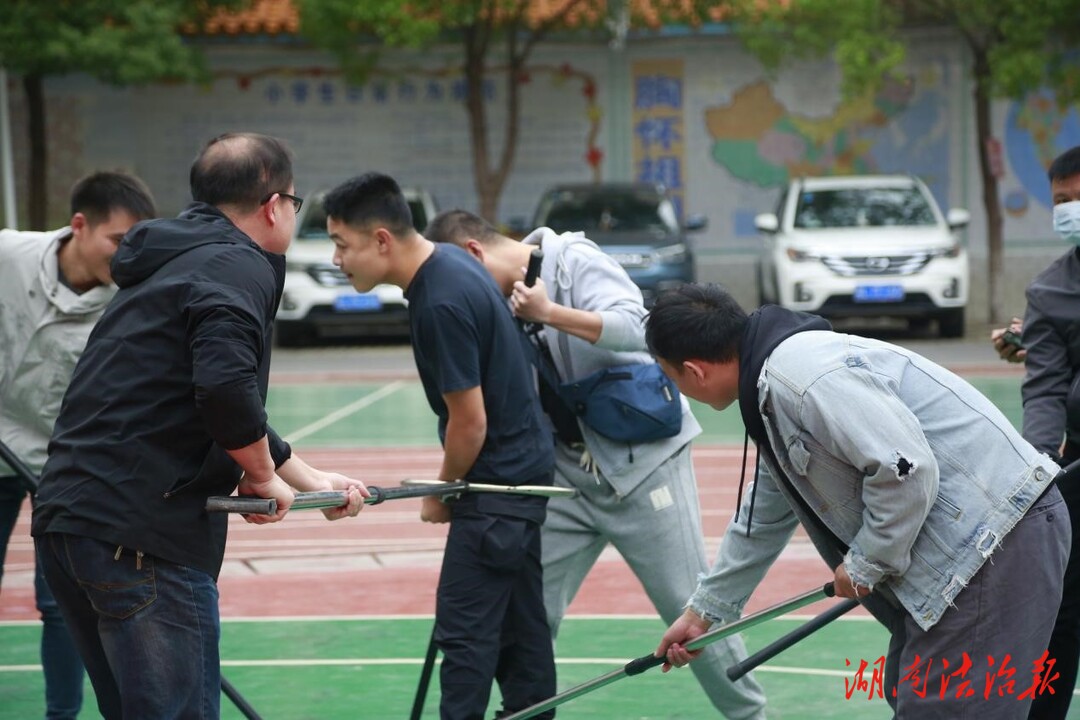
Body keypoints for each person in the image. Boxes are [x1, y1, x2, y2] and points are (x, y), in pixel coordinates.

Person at [31, 133, 368, 720]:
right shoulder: (239, 263)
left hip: (71, 523)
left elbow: (204, 395)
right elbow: (223, 388)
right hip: (142, 537)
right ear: (274, 205)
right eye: (295, 203)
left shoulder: (175, 258)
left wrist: (305, 475)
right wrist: (261, 474)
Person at [649, 283, 1067, 719]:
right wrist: (705, 613)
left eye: (670, 377)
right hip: (978, 549)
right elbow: (763, 515)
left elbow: (905, 468)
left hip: (997, 543)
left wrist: (867, 561)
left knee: (943, 708)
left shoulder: (803, 378)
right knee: (916, 694)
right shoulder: (769, 391)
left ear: (694, 371)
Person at [425, 209, 767, 719]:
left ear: (474, 253)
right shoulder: (491, 304)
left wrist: (550, 312)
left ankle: (752, 716)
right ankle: (522, 711)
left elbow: (639, 327)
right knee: (529, 613)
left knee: (693, 611)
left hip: (644, 468)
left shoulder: (573, 260)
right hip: (565, 478)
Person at [324, 174, 556, 720]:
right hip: (518, 478)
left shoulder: (440, 300)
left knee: (466, 636)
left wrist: (441, 491)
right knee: (521, 634)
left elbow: (469, 423)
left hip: (494, 485)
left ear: (381, 239)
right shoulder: (452, 267)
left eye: (342, 244)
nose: (337, 259)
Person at [0, 171, 156, 719]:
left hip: (62, 466)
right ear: (79, 226)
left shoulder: (132, 300)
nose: (125, 255)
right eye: (117, 240)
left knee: (62, 604)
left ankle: (60, 716)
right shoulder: (7, 256)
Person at [987, 145, 1080, 718]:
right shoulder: (1050, 293)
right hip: (1075, 472)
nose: (1071, 209)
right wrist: (1038, 468)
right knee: (1060, 610)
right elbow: (1045, 389)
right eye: (1063, 202)